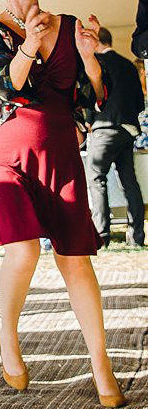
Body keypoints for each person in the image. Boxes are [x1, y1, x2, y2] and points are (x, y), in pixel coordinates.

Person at [0, 0, 124, 408]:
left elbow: (91, 97)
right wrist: (30, 45)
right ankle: (8, 338)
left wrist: (89, 60)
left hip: (58, 152)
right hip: (4, 153)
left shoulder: (70, 25)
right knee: (22, 253)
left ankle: (102, 366)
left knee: (75, 258)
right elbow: (2, 87)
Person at [86, 26, 145, 249]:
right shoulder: (129, 65)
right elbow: (140, 101)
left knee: (96, 179)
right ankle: (137, 236)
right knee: (129, 181)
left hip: (105, 126)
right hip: (129, 127)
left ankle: (102, 235)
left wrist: (89, 120)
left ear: (96, 42)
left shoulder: (97, 64)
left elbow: (91, 94)